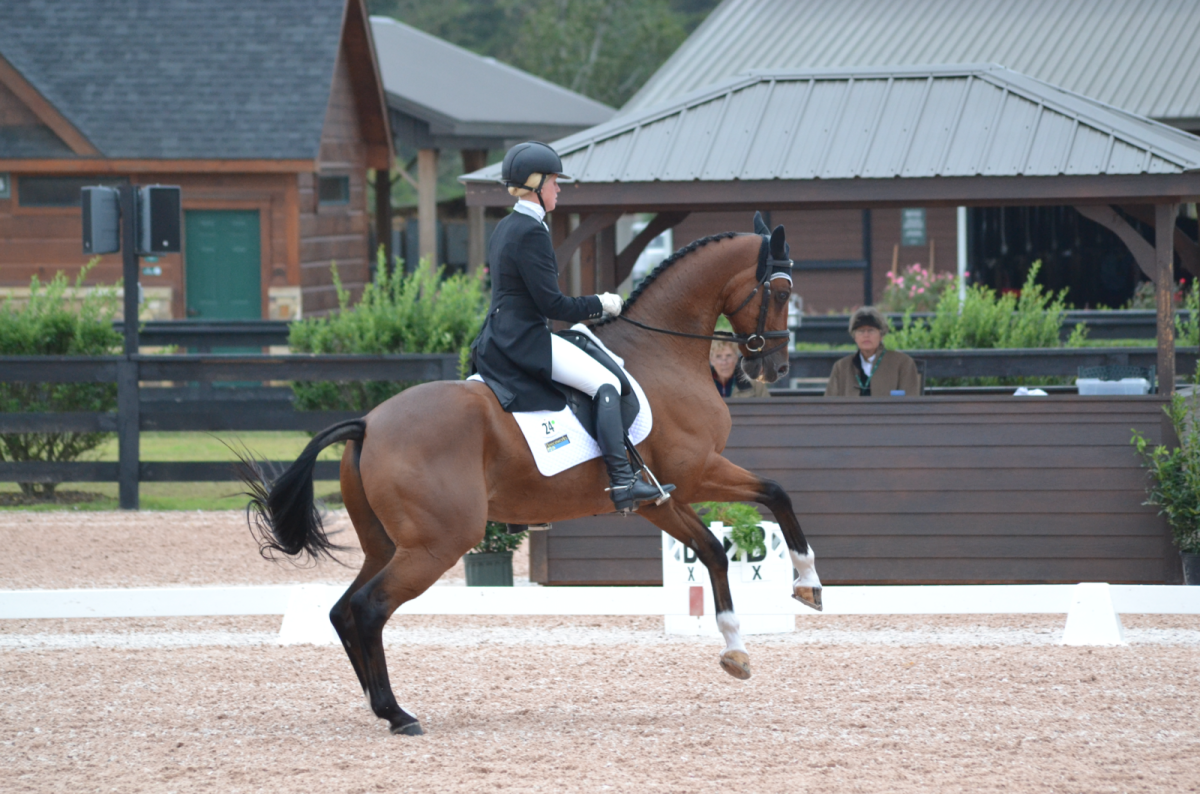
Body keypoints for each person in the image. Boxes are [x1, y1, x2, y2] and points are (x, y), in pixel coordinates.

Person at [471, 141, 672, 511]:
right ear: (536, 184)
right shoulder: (532, 232)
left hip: (497, 338)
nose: (558, 188)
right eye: (554, 181)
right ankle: (624, 481)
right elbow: (552, 304)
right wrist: (601, 303)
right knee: (606, 383)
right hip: (527, 340)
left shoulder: (505, 226)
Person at [824, 306, 921, 397]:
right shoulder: (841, 367)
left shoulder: (903, 363)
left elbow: (910, 404)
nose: (866, 335)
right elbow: (829, 406)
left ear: (881, 335)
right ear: (855, 337)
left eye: (871, 330)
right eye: (861, 331)